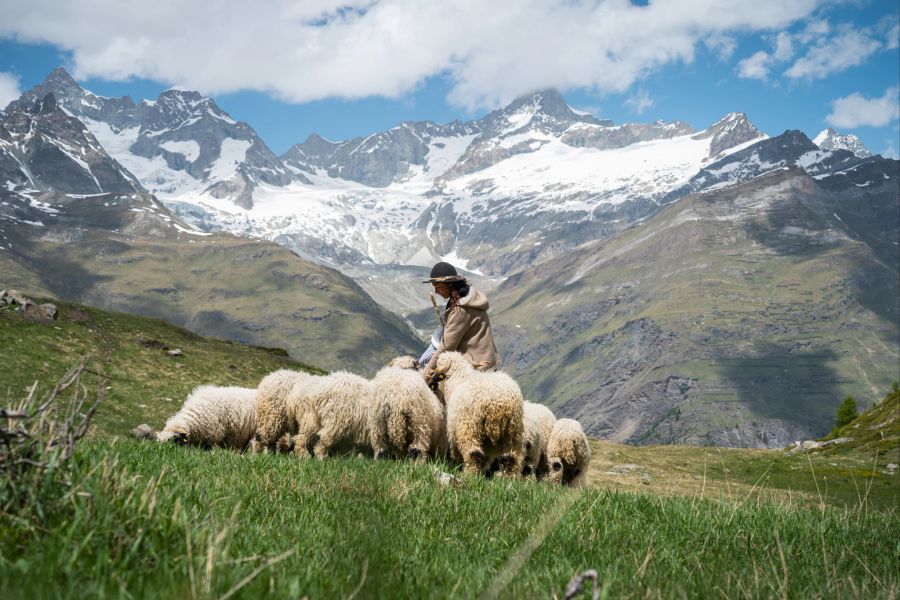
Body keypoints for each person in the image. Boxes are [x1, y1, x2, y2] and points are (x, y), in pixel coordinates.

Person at [422, 261, 500, 375]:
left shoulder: (461, 309)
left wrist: (425, 374)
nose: (436, 291)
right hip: (486, 361)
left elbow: (447, 346)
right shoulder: (468, 297)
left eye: (438, 286)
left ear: (450, 284)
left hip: (476, 367)